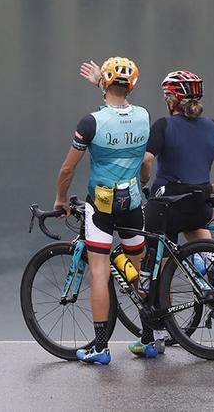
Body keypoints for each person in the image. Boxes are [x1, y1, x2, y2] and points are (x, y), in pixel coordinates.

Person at [78, 65, 214, 354]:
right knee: (194, 229)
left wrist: (141, 181)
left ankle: (155, 334)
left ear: (171, 101)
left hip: (166, 205)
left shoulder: (164, 125)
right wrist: (212, 189)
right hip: (200, 205)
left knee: (152, 266)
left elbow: (146, 161)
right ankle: (205, 260)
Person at [53, 57, 151, 365]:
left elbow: (68, 167)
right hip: (133, 204)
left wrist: (60, 198)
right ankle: (150, 339)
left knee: (99, 270)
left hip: (102, 207)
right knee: (138, 274)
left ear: (106, 83)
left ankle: (100, 347)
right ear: (132, 85)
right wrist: (143, 181)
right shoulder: (144, 116)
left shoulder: (90, 123)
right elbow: (146, 163)